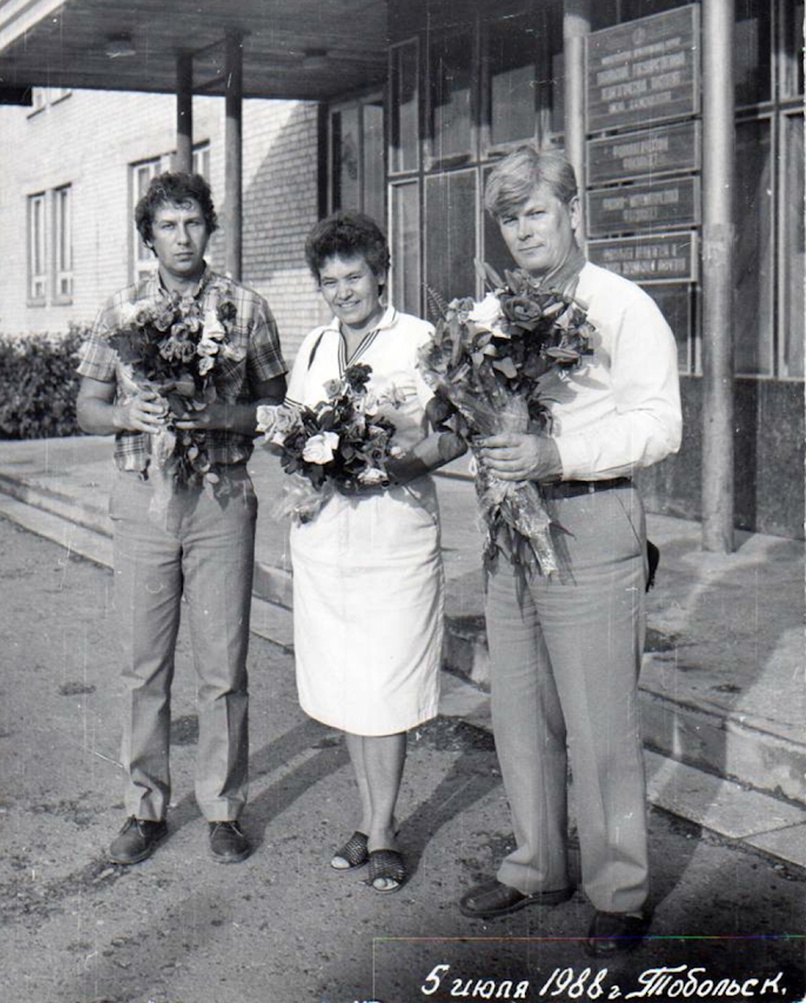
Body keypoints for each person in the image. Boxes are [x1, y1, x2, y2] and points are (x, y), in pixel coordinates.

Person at [458, 146, 682, 956]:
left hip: (590, 517)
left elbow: (661, 425)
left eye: (536, 212)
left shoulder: (622, 306)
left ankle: (619, 888)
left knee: (599, 721)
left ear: (573, 212)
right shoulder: (488, 314)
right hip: (510, 526)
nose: (523, 231)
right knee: (519, 709)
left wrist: (558, 454)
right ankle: (538, 864)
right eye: (508, 219)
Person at [76, 171, 287, 866]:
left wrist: (224, 414)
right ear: (149, 237)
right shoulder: (121, 309)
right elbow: (86, 406)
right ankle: (144, 808)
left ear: (209, 227)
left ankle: (223, 808)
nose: (182, 236)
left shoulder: (246, 307)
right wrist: (124, 413)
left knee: (224, 665)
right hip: (145, 497)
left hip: (221, 497)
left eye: (193, 221)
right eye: (167, 225)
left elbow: (278, 408)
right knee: (144, 665)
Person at [284, 210, 465, 892]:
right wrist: (302, 462)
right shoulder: (313, 346)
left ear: (381, 273)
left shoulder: (418, 340)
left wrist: (397, 466)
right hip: (327, 537)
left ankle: (384, 830)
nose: (342, 292)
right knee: (346, 684)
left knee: (384, 684)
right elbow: (296, 430)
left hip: (394, 534)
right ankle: (368, 819)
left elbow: (457, 433)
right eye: (329, 281)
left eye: (354, 276)